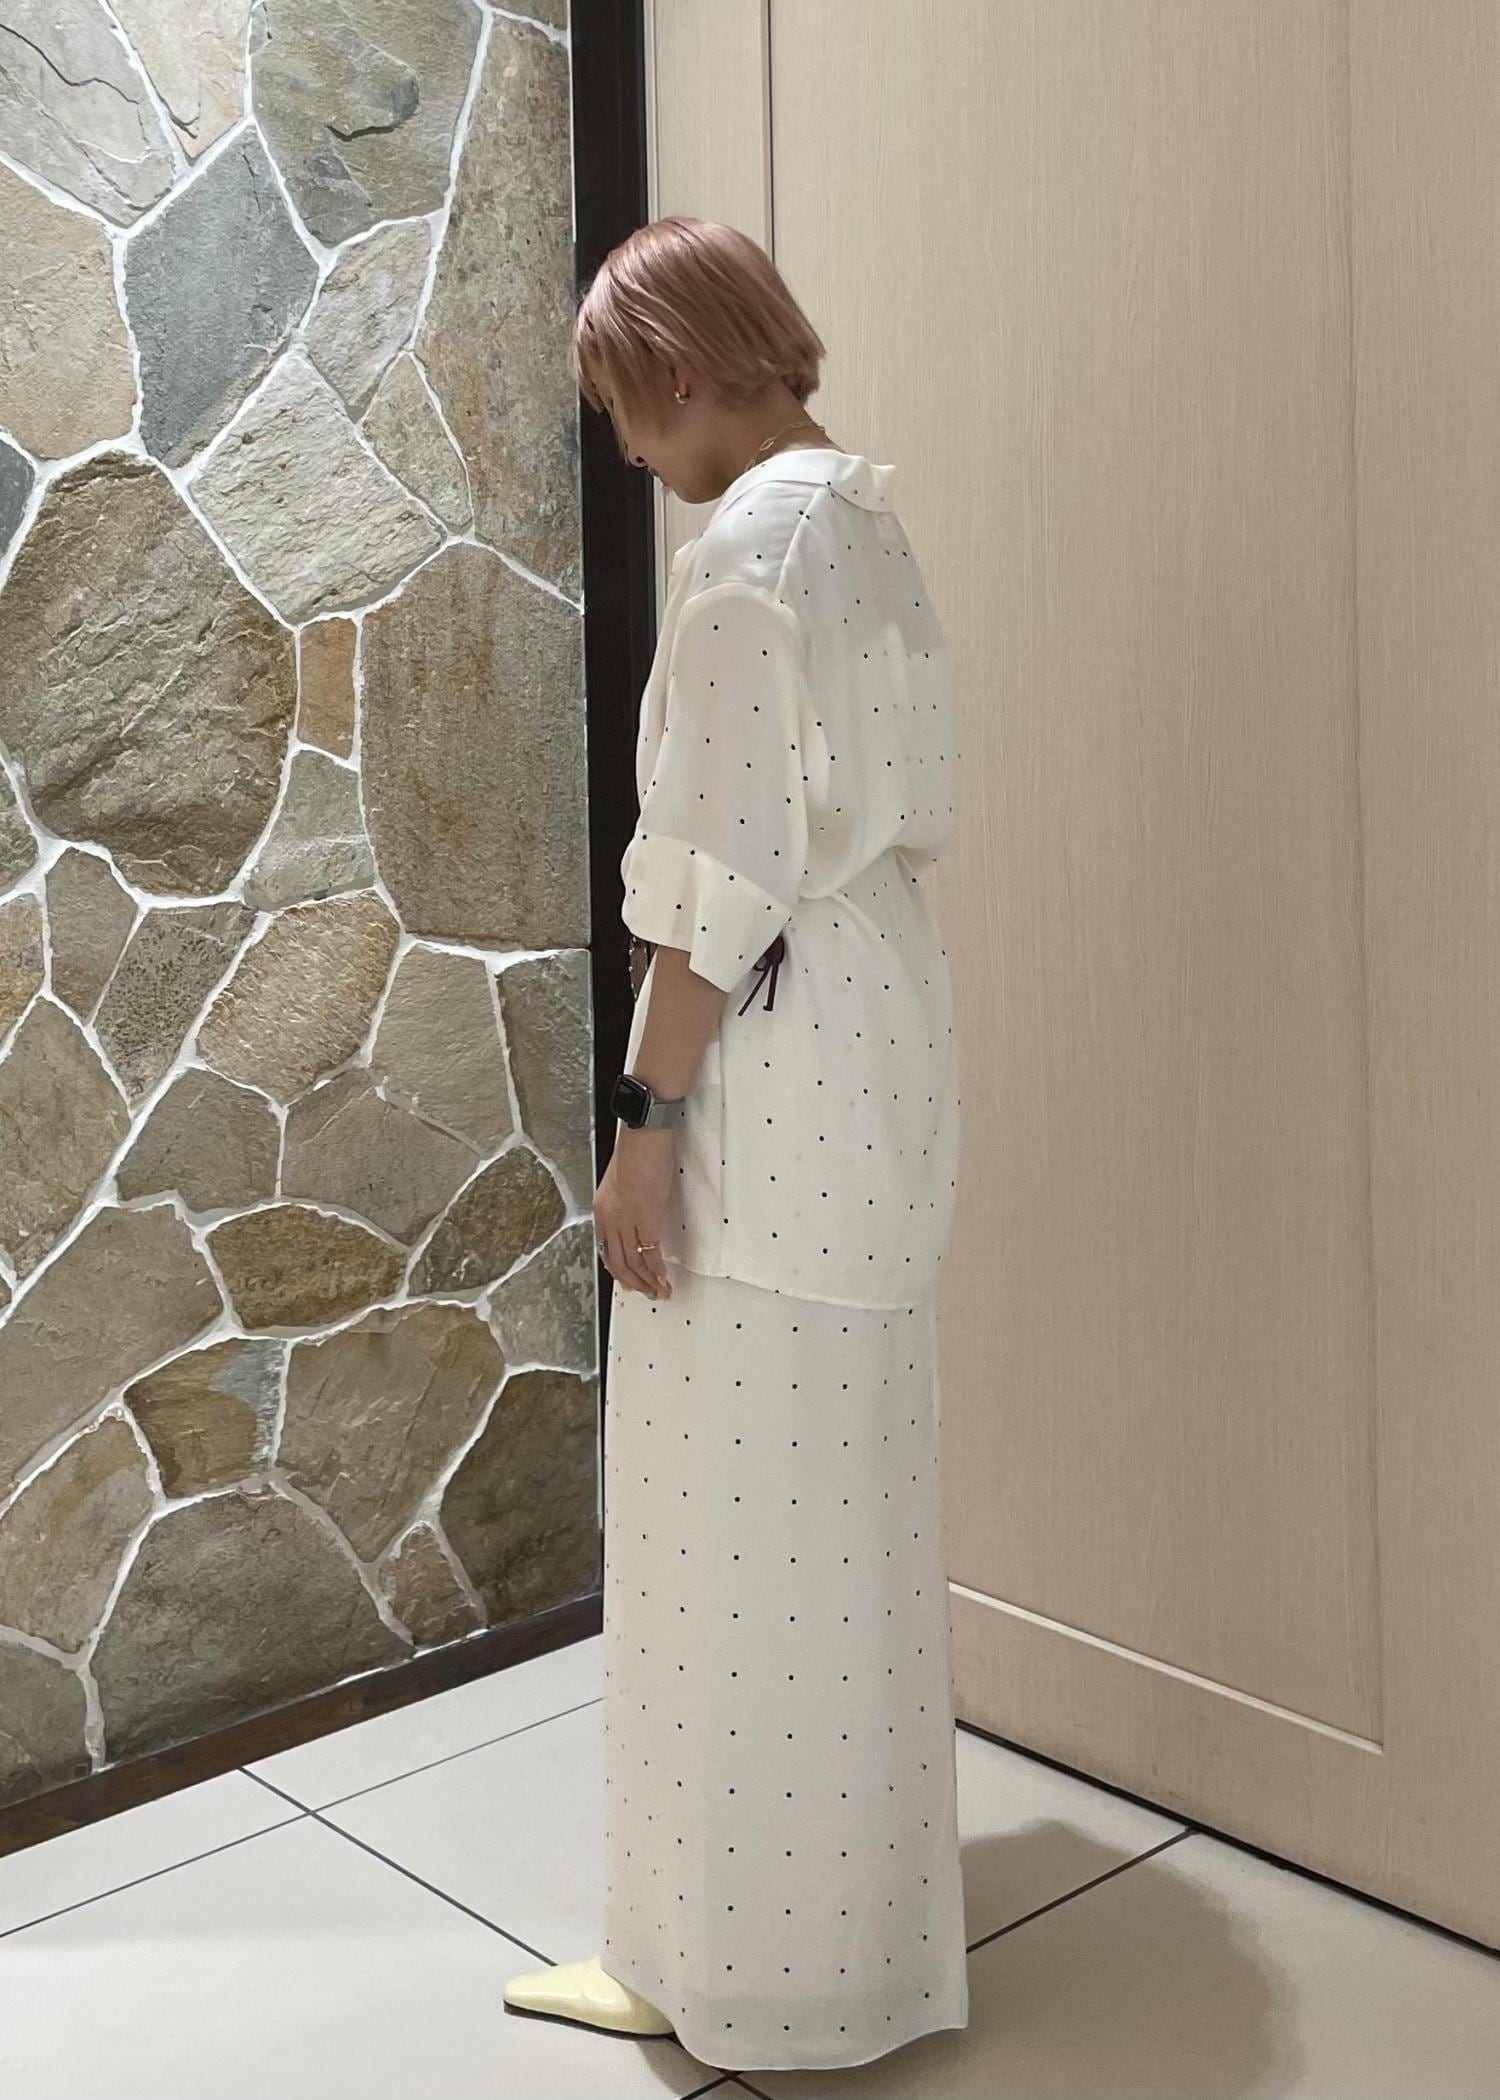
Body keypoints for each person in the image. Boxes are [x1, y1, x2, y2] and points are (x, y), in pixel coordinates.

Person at [503, 215, 967, 2073]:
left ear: (680, 369)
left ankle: (714, 1973)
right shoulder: (861, 520)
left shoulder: (749, 554)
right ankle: (853, 1965)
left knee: (722, 1524)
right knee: (840, 1511)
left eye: (622, 407)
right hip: (874, 1034)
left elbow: (715, 886)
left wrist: (643, 1126)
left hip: (766, 1070)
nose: (628, 449)